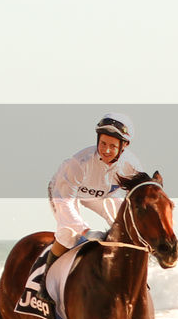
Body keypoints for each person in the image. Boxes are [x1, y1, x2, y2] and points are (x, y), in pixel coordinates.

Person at [38, 112, 145, 288]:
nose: (106, 150)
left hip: (103, 195)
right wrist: (85, 231)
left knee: (127, 231)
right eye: (103, 143)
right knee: (68, 233)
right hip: (65, 193)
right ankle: (45, 284)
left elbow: (141, 197)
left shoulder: (131, 166)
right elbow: (65, 203)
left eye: (112, 145)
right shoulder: (80, 162)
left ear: (124, 145)